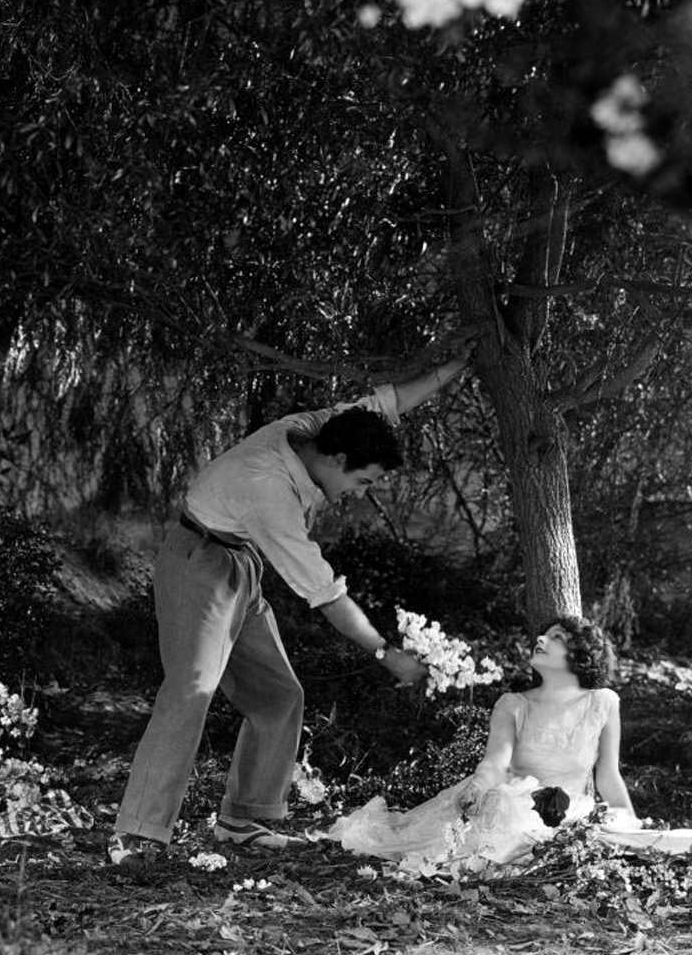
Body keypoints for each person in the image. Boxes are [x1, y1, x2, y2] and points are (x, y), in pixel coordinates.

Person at [110, 352, 469, 866]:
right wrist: (387, 653)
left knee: (279, 695)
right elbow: (328, 597)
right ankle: (137, 834)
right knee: (192, 689)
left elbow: (394, 400)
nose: (358, 495)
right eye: (362, 483)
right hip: (199, 563)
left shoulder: (323, 429)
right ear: (339, 463)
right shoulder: (270, 493)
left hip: (239, 564)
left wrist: (457, 359)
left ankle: (242, 821)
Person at [331, 616, 631, 867]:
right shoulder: (513, 705)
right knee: (502, 809)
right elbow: (496, 762)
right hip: (513, 807)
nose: (540, 638)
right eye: (542, 634)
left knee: (605, 835)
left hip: (571, 814)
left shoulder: (603, 703)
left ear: (579, 654)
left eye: (555, 637)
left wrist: (628, 819)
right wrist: (477, 787)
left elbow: (608, 773)